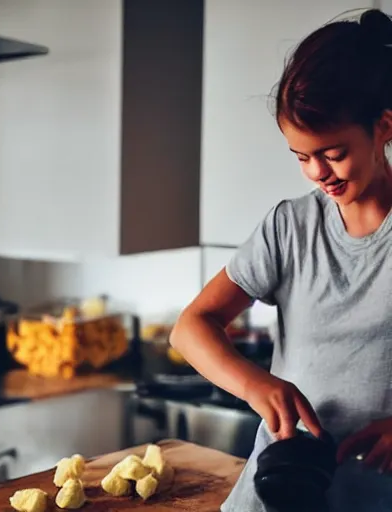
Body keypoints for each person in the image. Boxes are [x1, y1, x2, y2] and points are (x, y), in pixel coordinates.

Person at [170, 8, 392, 512]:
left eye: (333, 153)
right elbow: (191, 326)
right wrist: (256, 385)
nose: (318, 173)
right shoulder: (289, 227)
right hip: (272, 493)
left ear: (383, 127)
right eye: (300, 156)